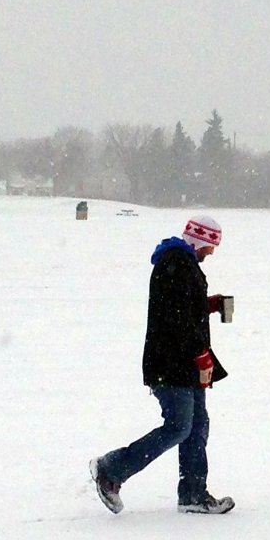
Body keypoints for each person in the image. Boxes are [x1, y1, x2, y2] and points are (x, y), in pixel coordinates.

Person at [90, 215, 235, 514]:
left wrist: (210, 304)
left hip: (184, 363)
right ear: (198, 240)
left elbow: (183, 306)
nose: (211, 253)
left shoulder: (182, 264)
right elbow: (177, 318)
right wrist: (201, 355)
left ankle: (193, 494)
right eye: (209, 246)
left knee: (196, 426)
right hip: (170, 364)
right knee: (179, 427)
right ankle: (111, 470)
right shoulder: (176, 264)